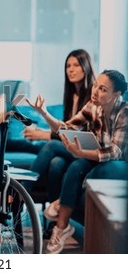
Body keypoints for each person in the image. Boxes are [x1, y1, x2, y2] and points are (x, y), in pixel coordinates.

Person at [28, 69, 127, 254]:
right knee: (74, 164)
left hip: (120, 164)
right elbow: (67, 127)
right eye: (96, 85)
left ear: (117, 95)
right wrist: (44, 113)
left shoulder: (124, 113)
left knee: (74, 160)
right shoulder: (94, 106)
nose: (95, 91)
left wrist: (82, 152)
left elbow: (115, 152)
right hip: (97, 157)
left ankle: (52, 202)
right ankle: (61, 226)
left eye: (103, 89)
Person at [24, 49, 96, 203]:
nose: (71, 69)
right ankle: (53, 220)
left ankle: (21, 194)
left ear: (86, 67)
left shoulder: (93, 97)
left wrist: (43, 134)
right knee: (56, 164)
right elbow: (67, 128)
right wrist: (42, 131)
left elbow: (78, 134)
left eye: (76, 65)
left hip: (84, 148)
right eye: (68, 65)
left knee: (50, 146)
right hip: (69, 146)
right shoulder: (71, 96)